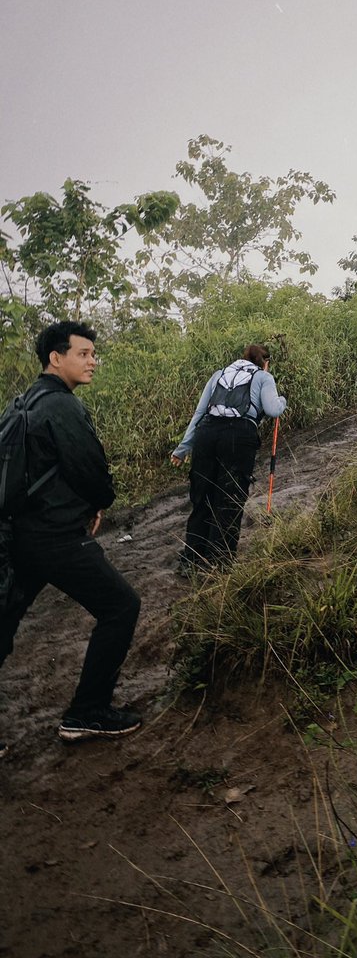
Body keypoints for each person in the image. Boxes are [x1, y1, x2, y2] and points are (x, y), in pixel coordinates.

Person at [0, 322, 142, 752]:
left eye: (93, 353)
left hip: (15, 534)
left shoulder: (21, 402)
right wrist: (98, 503)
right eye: (83, 353)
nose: (92, 361)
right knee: (121, 606)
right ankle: (87, 713)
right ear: (55, 358)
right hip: (54, 536)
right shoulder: (61, 406)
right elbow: (90, 467)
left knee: (4, 624)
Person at [172, 344, 286, 574]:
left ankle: (191, 562)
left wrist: (182, 448)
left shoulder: (219, 374)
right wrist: (282, 399)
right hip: (239, 436)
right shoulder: (264, 376)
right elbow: (273, 410)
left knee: (202, 497)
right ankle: (220, 563)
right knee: (230, 498)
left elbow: (200, 412)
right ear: (265, 362)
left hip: (206, 434)